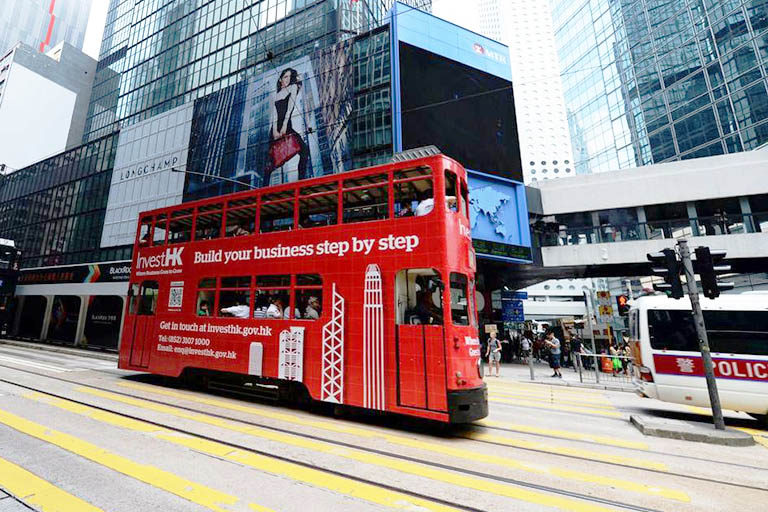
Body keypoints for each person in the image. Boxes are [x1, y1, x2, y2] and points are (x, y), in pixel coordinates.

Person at [267, 68, 310, 185]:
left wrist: (284, 126)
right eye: (285, 77)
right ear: (280, 79)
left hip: (287, 125)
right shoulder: (275, 95)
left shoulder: (292, 88)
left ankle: (301, 181)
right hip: (275, 128)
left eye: (290, 77)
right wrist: (275, 130)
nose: (287, 79)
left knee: (304, 151)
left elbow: (289, 109)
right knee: (270, 162)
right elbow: (274, 115)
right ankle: (263, 190)